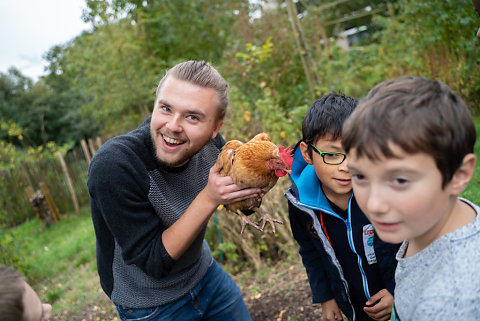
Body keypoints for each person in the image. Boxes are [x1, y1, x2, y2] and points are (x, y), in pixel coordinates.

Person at [87, 60, 261, 321]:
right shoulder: (115, 166)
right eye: (166, 109)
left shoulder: (215, 150)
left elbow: (236, 204)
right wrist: (210, 197)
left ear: (215, 129)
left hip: (204, 273)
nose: (173, 126)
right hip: (149, 303)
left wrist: (251, 192)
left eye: (192, 116)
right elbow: (153, 262)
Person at [341, 76, 480, 320]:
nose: (373, 205)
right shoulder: (439, 221)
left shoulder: (449, 306)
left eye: (400, 180)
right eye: (360, 176)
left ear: (460, 174)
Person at [285, 93, 400, 321]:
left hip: (402, 299)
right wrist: (326, 298)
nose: (346, 166)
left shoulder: (385, 190)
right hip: (356, 308)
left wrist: (398, 290)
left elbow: (413, 242)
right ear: (308, 153)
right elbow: (310, 252)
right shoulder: (300, 204)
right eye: (332, 154)